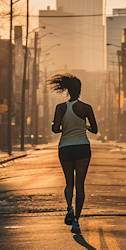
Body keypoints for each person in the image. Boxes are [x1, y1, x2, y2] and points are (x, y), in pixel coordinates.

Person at [50, 73, 98, 234]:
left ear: (68, 91)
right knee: (80, 185)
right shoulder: (86, 107)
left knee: (69, 184)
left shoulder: (60, 108)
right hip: (83, 147)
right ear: (80, 91)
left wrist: (64, 128)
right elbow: (95, 129)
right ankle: (76, 221)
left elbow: (55, 129)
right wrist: (84, 127)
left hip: (65, 147)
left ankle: (69, 208)